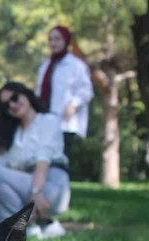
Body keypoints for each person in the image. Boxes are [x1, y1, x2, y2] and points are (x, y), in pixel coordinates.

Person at [0, 82, 71, 239]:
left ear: (26, 95)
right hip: (27, 189)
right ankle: (46, 225)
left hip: (50, 187)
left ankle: (26, 228)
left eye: (15, 98)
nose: (12, 104)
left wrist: (36, 192)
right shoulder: (13, 135)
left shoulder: (48, 121)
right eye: (6, 105)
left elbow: (43, 160)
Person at [36, 25, 94, 177]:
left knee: (61, 162)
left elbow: (86, 90)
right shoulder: (45, 66)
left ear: (66, 41)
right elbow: (38, 93)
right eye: (50, 39)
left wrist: (73, 104)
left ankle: (62, 196)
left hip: (65, 122)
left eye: (57, 39)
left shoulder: (76, 65)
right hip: (44, 120)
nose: (53, 43)